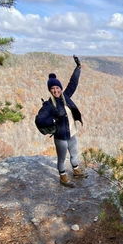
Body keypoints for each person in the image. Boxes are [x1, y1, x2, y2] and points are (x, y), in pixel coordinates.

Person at [39, 55, 86, 187]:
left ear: (60, 88)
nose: (55, 90)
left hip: (71, 133)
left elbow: (73, 83)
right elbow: (39, 120)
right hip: (60, 137)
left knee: (74, 153)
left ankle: (76, 170)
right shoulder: (48, 105)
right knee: (61, 158)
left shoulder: (65, 96)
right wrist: (53, 121)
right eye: (52, 89)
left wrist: (78, 68)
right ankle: (63, 177)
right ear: (50, 90)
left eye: (57, 88)